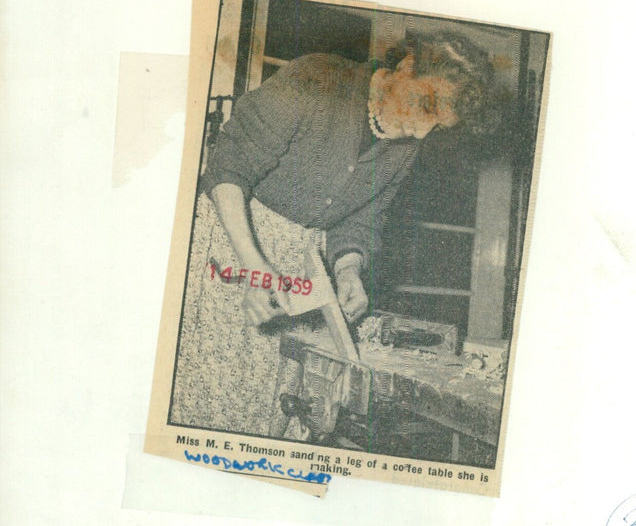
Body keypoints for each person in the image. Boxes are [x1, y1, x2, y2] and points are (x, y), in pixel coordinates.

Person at [169, 31, 496, 438]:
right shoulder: (319, 78)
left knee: (271, 406)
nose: (423, 130)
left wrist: (347, 271)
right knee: (205, 391)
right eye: (426, 105)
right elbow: (228, 167)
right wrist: (255, 270)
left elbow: (364, 218)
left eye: (437, 123)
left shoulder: (404, 146)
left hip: (301, 262)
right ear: (406, 66)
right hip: (233, 244)